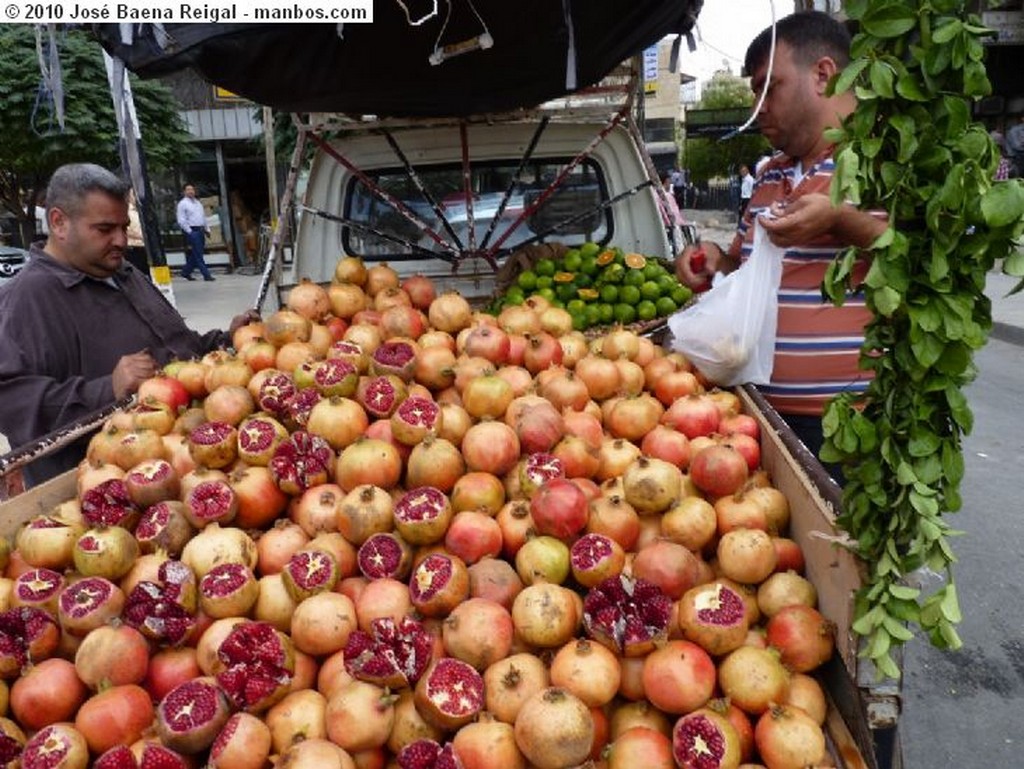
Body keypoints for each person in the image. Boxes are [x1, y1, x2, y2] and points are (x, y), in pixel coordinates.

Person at [675, 11, 888, 461]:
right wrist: (715, 261)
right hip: (759, 418)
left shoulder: (885, 162)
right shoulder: (769, 175)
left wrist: (841, 219)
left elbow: (925, 266)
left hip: (856, 424)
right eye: (754, 92)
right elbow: (743, 269)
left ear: (823, 74)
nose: (758, 108)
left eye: (767, 87)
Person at [0, 163, 259, 487]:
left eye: (124, 226)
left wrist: (226, 339)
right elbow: (12, 404)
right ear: (59, 222)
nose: (122, 240)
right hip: (98, 489)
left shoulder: (123, 273)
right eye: (105, 229)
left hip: (181, 461)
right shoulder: (27, 298)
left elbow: (179, 348)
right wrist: (107, 388)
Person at [176, 183, 214, 281]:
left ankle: (185, 272)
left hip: (200, 229)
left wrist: (207, 229)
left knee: (197, 253)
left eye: (192, 189)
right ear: (184, 192)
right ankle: (206, 275)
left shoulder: (198, 203)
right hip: (192, 230)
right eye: (188, 190)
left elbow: (203, 217)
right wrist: (189, 231)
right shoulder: (182, 204)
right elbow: (181, 220)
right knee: (198, 254)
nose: (191, 191)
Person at [125, 189, 150, 276]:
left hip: (144, 247)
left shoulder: (142, 211)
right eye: (134, 195)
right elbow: (125, 230)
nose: (137, 198)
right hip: (133, 248)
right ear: (129, 196)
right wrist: (141, 237)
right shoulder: (126, 211)